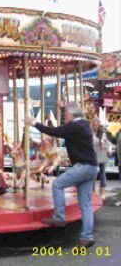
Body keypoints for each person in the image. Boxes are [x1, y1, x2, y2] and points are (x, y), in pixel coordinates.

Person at [25, 102, 98, 248]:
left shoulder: (75, 126)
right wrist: (64, 106)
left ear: (71, 115)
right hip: (91, 167)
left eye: (66, 115)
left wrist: (33, 123)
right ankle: (87, 237)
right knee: (85, 204)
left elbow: (54, 132)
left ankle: (59, 217)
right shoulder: (83, 123)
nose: (65, 117)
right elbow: (72, 114)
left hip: (82, 166)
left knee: (58, 184)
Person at [91, 116, 111, 199]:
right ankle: (94, 191)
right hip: (97, 154)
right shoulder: (96, 132)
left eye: (96, 124)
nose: (95, 126)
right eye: (94, 124)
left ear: (98, 124)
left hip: (101, 154)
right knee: (95, 173)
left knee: (100, 173)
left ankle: (100, 192)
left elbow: (106, 143)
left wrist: (108, 150)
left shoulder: (101, 133)